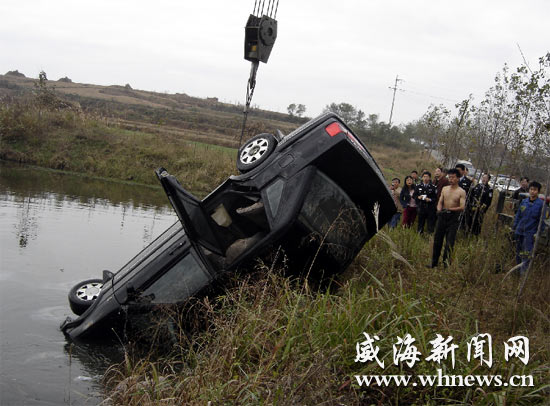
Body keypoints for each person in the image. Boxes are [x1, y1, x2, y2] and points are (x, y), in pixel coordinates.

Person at [429, 168, 466, 268]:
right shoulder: (445, 189)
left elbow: (462, 207)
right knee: (437, 240)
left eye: (453, 177)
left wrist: (450, 209)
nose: (451, 179)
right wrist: (439, 209)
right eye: (449, 177)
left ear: (458, 178)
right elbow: (440, 201)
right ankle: (434, 262)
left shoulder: (461, 191)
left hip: (453, 218)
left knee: (449, 242)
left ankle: (446, 264)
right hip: (442, 216)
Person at [512, 181, 546, 275]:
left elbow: (541, 221)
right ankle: (517, 271)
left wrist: (537, 234)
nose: (532, 191)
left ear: (538, 192)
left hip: (529, 234)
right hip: (519, 231)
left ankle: (523, 273)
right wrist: (514, 227)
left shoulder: (541, 205)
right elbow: (518, 215)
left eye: (535, 190)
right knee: (518, 252)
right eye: (531, 189)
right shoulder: (524, 202)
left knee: (526, 253)